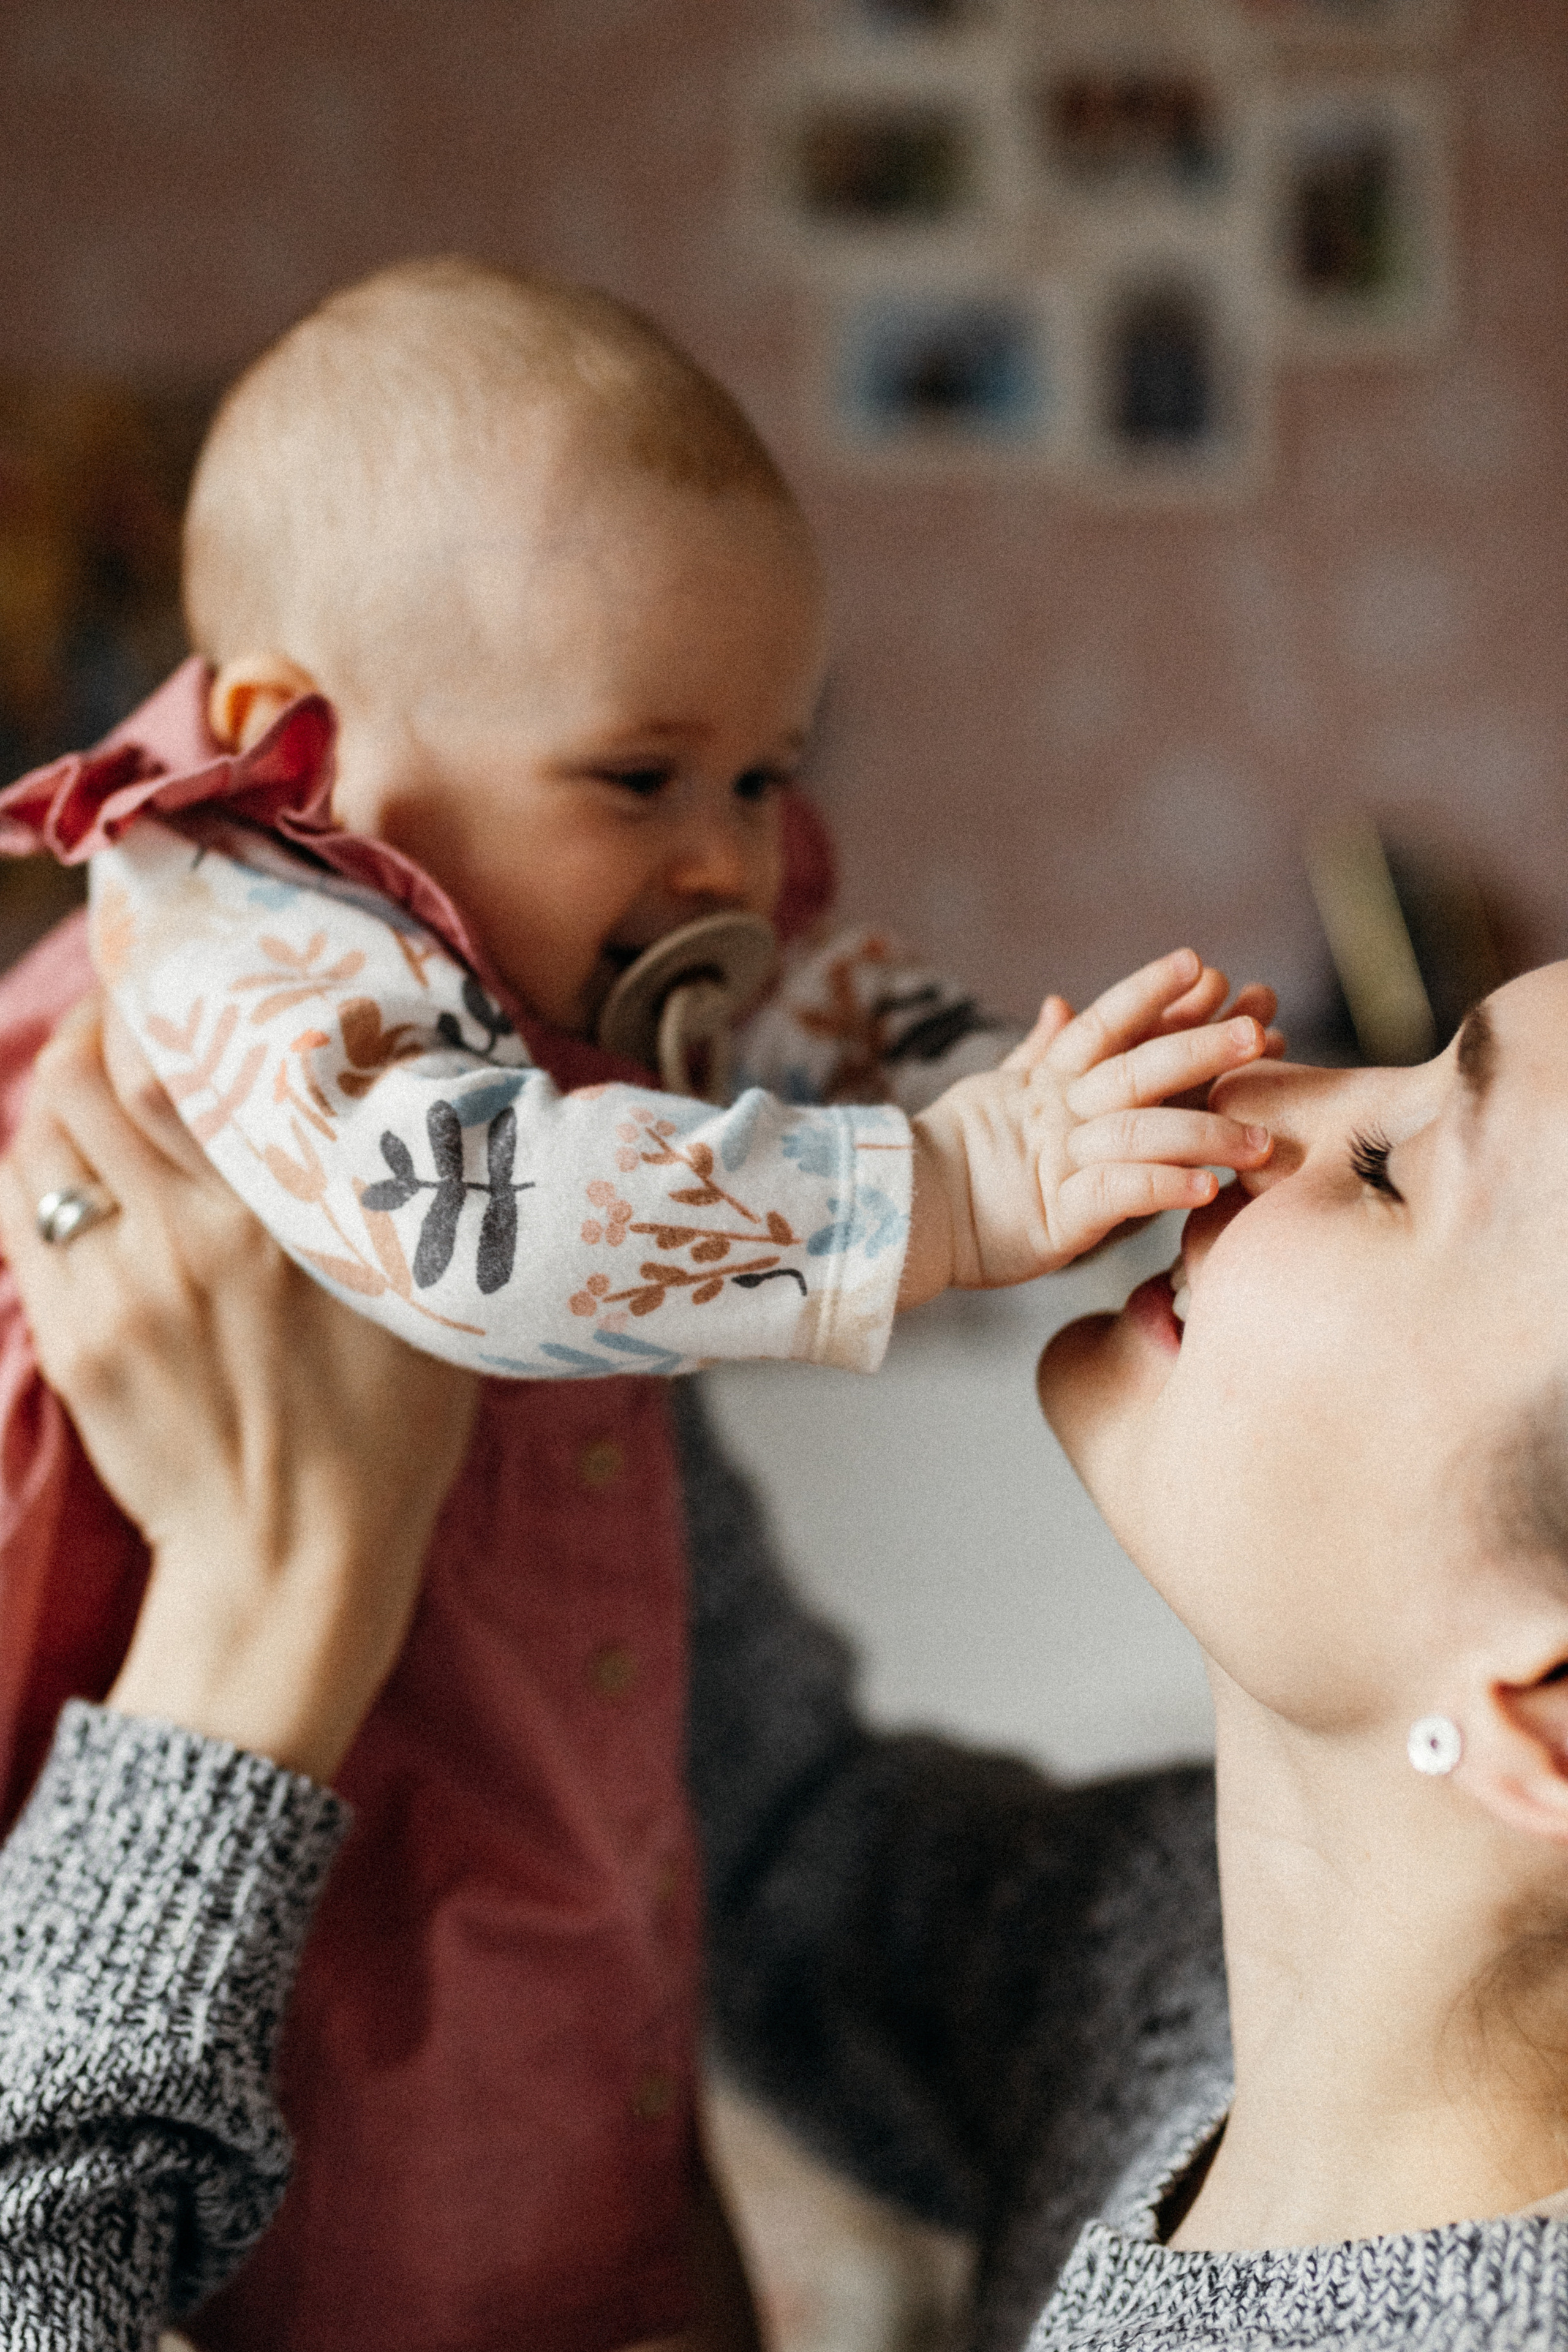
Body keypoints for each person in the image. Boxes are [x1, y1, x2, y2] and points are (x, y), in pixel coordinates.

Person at [0, 257, 1279, 2352]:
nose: (730, 866)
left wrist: (1045, 1098)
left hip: (548, 1923)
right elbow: (478, 1226)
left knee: (559, 2133)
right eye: (641, 780)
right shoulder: (237, 935)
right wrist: (955, 1184)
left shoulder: (568, 931)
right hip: (220, 1913)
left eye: (765, 777)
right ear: (293, 746)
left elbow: (803, 1013)